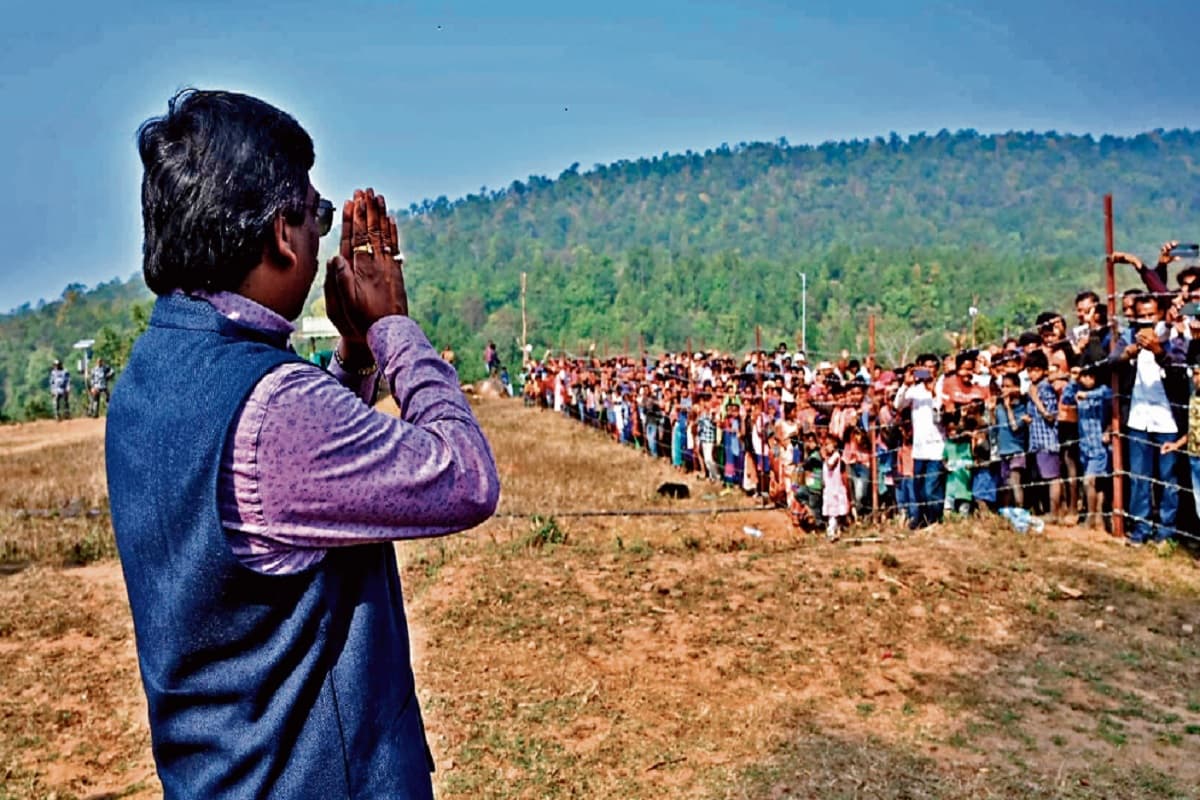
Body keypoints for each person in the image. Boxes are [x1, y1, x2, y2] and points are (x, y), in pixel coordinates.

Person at [106, 89, 499, 799]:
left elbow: (305, 494)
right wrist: (393, 329)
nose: (320, 238)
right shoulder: (277, 405)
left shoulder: (150, 373)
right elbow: (466, 478)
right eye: (315, 215)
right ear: (283, 236)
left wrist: (352, 352)